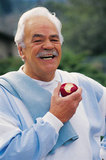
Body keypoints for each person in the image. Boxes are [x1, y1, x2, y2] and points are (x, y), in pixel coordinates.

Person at [0, 7, 106, 160]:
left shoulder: (82, 83)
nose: (49, 46)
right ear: (21, 50)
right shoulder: (4, 92)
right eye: (38, 40)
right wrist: (55, 118)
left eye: (54, 39)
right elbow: (8, 154)